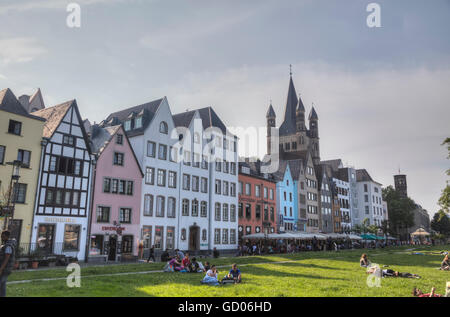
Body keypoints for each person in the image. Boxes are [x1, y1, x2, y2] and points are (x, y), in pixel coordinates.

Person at [0, 230, 16, 297]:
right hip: (5, 268)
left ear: (7, 237)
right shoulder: (5, 245)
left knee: (1, 283)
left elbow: (7, 258)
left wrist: (1, 269)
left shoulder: (8, 246)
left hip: (5, 269)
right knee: (2, 285)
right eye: (1, 236)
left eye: (3, 237)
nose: (1, 238)